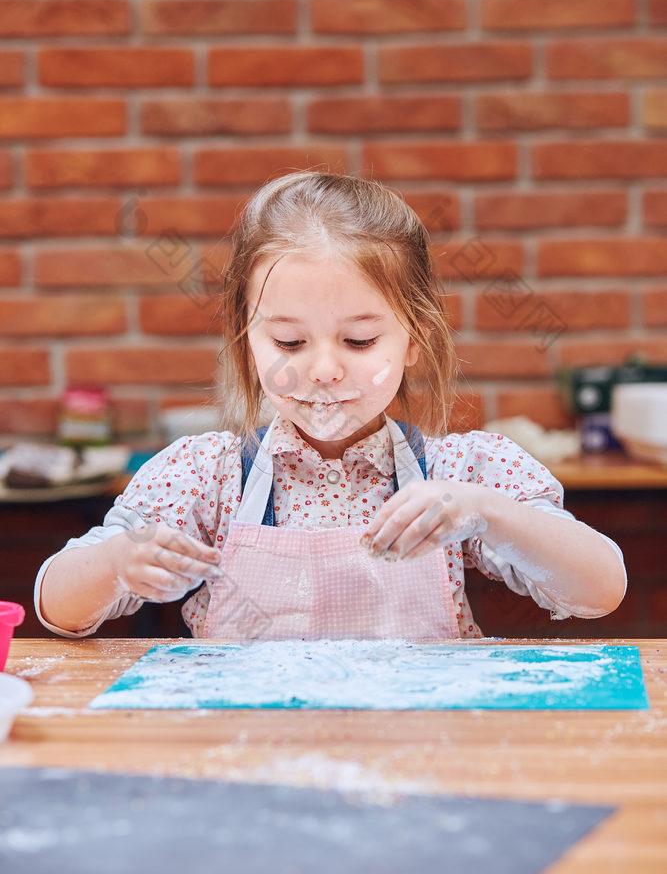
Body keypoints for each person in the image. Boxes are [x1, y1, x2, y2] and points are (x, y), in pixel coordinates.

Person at [35, 171, 626, 641]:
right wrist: (116, 561)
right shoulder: (205, 476)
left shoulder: (462, 474)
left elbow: (599, 591)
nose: (322, 369)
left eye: (359, 341)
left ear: (414, 339)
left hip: (422, 754)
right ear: (246, 338)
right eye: (289, 342)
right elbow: (58, 606)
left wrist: (490, 512)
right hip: (246, 758)